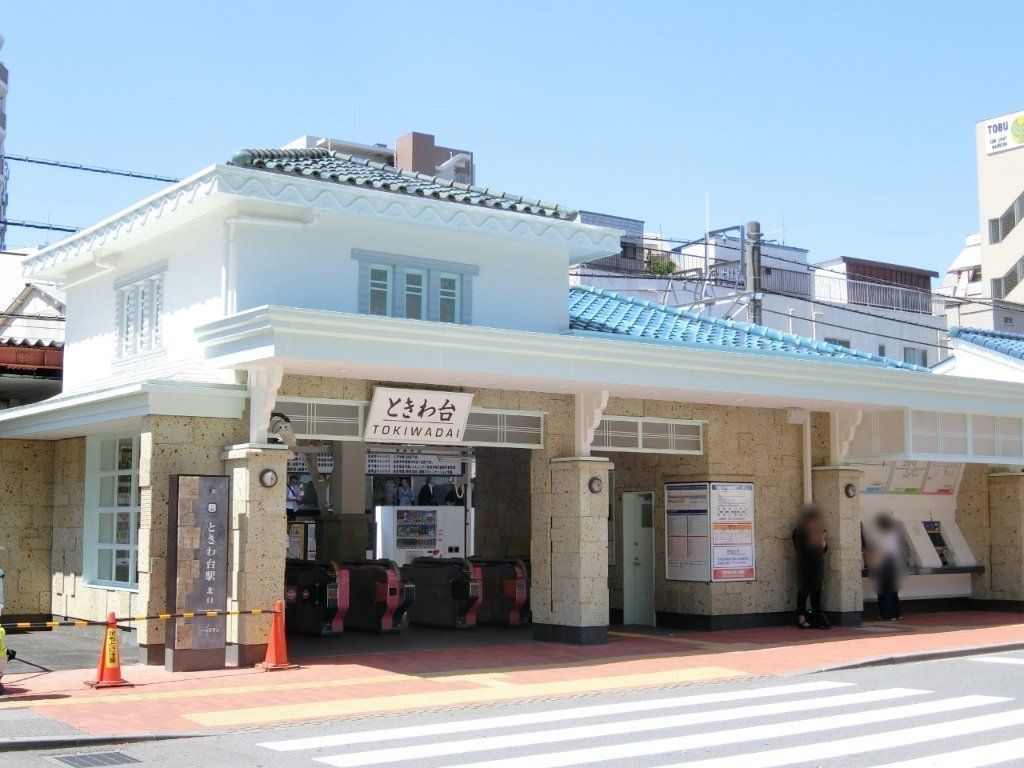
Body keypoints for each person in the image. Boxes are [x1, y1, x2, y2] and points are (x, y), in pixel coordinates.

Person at [792, 506, 830, 629]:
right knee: (804, 591)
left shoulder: (816, 532)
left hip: (817, 565)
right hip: (804, 566)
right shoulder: (799, 532)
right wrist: (814, 539)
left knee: (817, 592)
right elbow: (801, 548)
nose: (815, 523)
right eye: (813, 521)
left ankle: (816, 616)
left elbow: (824, 549)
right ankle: (801, 618)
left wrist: (822, 539)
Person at [872, 514, 904, 621]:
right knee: (892, 590)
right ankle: (897, 613)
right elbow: (898, 550)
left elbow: (878, 551)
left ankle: (887, 615)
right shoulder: (894, 534)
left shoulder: (880, 535)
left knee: (883, 590)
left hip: (883, 563)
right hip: (893, 563)